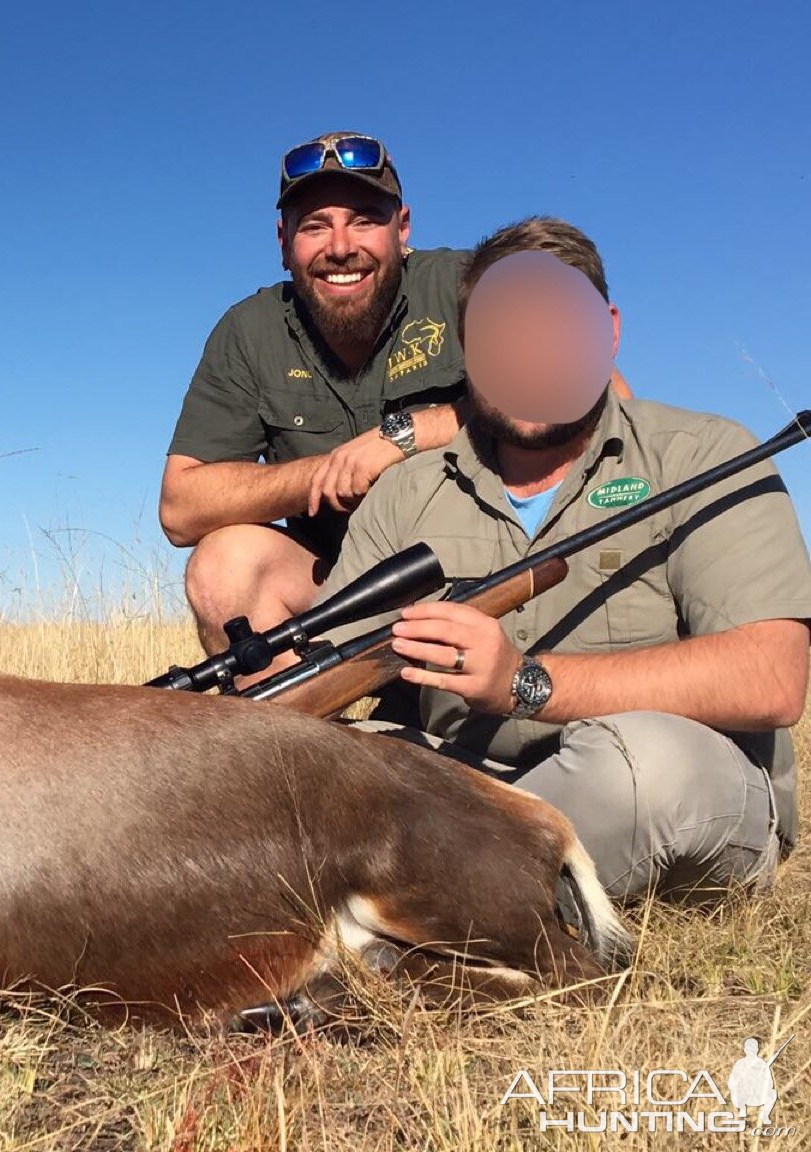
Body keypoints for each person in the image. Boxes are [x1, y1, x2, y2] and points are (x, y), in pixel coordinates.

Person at [317, 216, 811, 904]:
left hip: (664, 782)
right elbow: (318, 657)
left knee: (645, 767)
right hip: (470, 781)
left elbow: (771, 677)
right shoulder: (407, 489)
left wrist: (524, 683)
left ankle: (417, 910)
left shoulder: (707, 451)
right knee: (321, 762)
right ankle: (434, 905)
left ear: (607, 330)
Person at [160, 132, 626, 677]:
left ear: (402, 228)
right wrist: (328, 475)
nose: (340, 247)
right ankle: (298, 748)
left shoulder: (465, 284)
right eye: (314, 225)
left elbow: (607, 395)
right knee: (223, 566)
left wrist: (410, 434)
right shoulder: (248, 331)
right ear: (284, 242)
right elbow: (180, 507)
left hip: (490, 572)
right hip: (344, 590)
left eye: (363, 219)